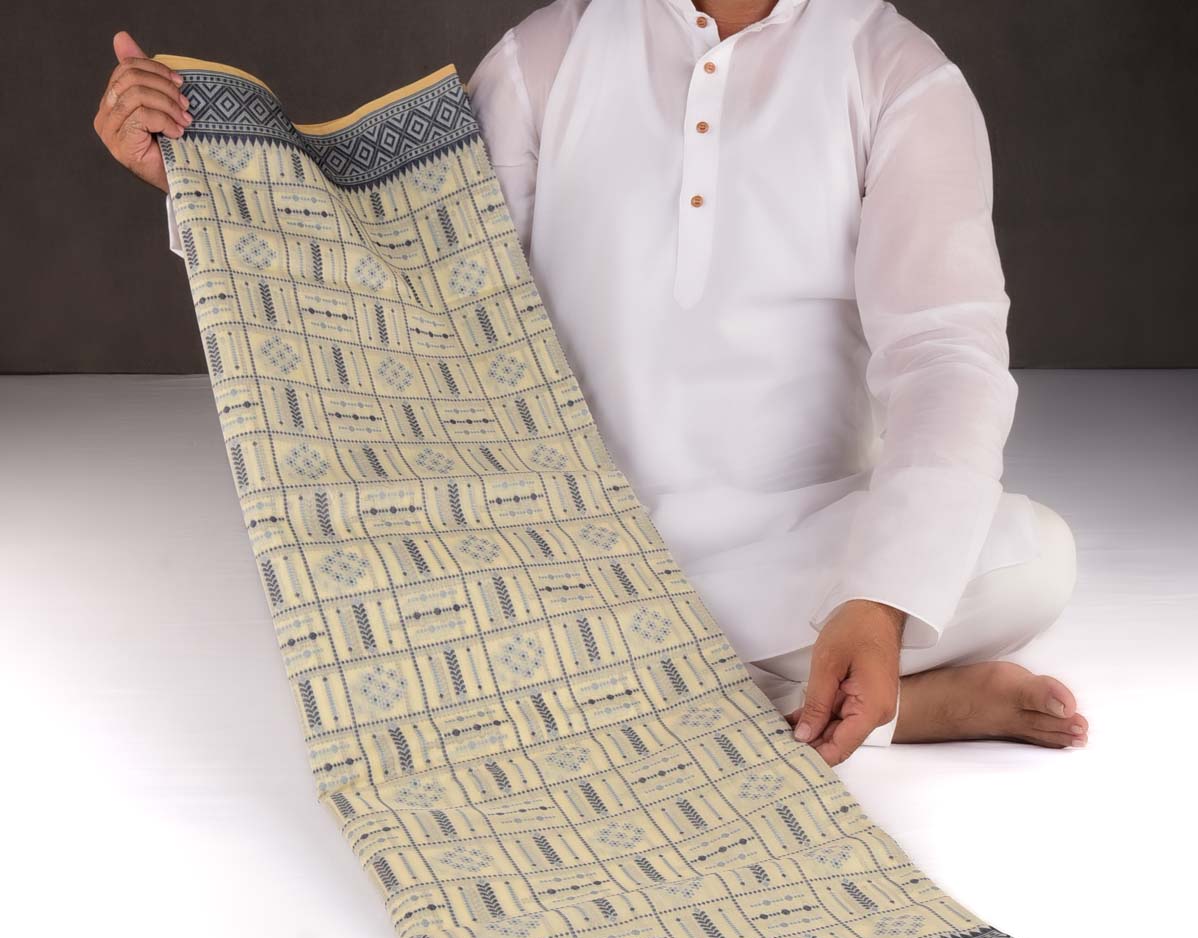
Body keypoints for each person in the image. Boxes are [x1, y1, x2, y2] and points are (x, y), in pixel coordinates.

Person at [93, 1, 1090, 766]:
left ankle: (703, 675)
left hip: (799, 547)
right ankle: (898, 705)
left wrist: (876, 601)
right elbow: (406, 274)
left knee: (1031, 556)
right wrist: (204, 182)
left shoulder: (898, 74)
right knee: (387, 582)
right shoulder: (548, 56)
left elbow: (946, 356)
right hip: (559, 541)